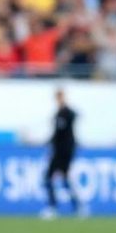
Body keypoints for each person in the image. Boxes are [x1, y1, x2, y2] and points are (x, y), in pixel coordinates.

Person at [41, 89, 83, 219]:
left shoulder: (67, 113)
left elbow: (62, 132)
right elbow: (56, 135)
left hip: (65, 152)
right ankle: (56, 206)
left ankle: (73, 206)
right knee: (50, 178)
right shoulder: (58, 114)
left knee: (60, 179)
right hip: (58, 151)